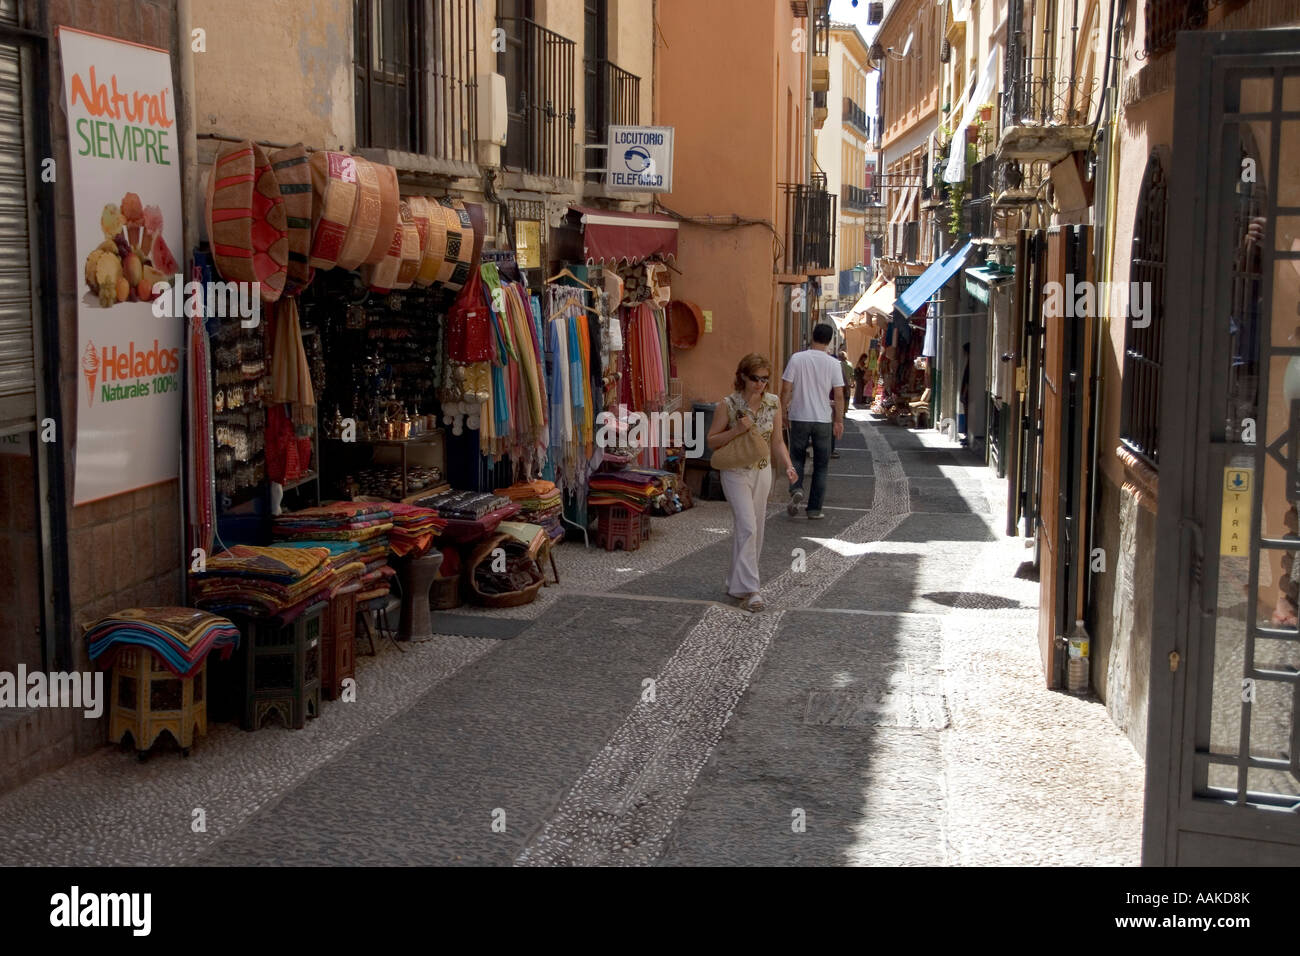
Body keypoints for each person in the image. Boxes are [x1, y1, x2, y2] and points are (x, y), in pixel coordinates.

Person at [707, 353, 798, 612]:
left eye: (765, 380)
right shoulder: (728, 404)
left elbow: (777, 441)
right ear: (743, 377)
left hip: (762, 470)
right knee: (747, 526)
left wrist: (789, 466)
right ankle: (753, 589)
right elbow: (711, 441)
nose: (760, 384)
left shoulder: (773, 403)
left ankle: (737, 584)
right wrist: (737, 430)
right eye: (755, 379)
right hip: (735, 472)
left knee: (755, 528)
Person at [781, 323, 846, 520]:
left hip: (799, 416)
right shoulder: (834, 364)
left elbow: (786, 389)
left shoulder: (797, 358)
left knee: (797, 458)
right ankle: (814, 509)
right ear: (829, 341)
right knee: (821, 465)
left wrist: (782, 412)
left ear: (812, 336)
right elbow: (839, 395)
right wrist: (838, 421)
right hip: (822, 419)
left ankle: (796, 488)